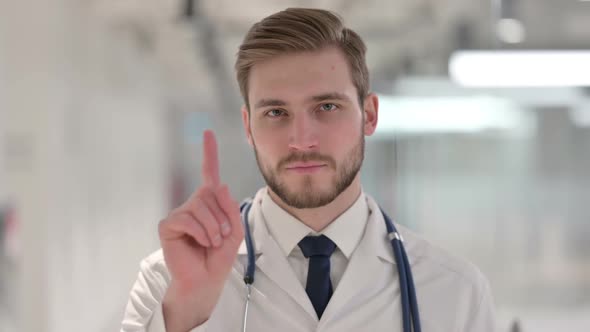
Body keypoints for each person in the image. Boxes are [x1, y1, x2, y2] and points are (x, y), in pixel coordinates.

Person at [121, 7, 496, 332]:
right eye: (276, 113)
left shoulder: (454, 291)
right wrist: (188, 310)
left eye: (327, 107)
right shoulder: (167, 284)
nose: (302, 140)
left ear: (369, 115)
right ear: (249, 127)